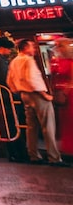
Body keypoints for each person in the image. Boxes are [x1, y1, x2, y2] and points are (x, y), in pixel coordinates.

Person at [7, 38, 68, 166]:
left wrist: (18, 91)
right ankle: (54, 157)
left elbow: (9, 80)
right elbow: (32, 80)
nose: (34, 49)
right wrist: (45, 95)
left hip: (24, 95)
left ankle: (34, 155)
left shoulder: (14, 61)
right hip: (36, 95)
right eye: (31, 47)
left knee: (31, 127)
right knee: (48, 126)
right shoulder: (28, 60)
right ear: (24, 48)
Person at [0, 36, 25, 162]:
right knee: (12, 124)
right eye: (9, 49)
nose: (10, 52)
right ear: (3, 48)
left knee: (12, 123)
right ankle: (15, 152)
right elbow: (6, 79)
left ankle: (15, 152)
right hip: (7, 96)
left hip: (5, 95)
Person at [50, 38, 73, 156]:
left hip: (69, 92)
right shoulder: (58, 60)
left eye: (59, 46)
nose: (57, 48)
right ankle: (67, 145)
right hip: (61, 93)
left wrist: (65, 90)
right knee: (64, 120)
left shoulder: (70, 61)